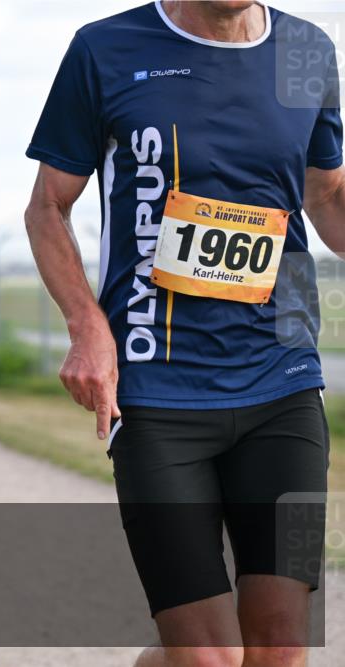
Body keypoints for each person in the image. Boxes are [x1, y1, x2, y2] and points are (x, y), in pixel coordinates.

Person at [24, 2, 343, 666]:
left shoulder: (308, 51)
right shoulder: (104, 49)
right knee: (206, 659)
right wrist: (88, 326)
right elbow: (48, 206)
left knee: (282, 646)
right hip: (155, 392)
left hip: (284, 382)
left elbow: (329, 196)